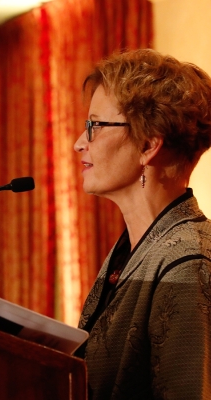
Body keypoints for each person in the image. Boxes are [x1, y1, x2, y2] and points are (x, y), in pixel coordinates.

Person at [73, 49, 211, 399]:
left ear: (149, 145)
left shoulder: (187, 262)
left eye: (95, 126)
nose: (79, 143)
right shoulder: (133, 249)